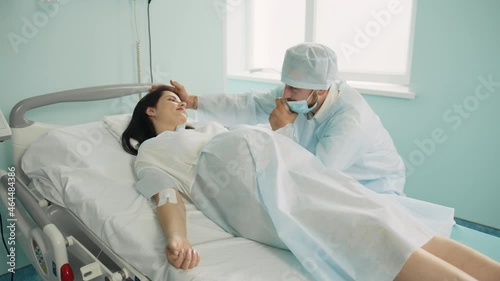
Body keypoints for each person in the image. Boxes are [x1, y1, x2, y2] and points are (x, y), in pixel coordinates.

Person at [121, 89, 500, 281]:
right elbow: (165, 193)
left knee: (383, 211)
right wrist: (177, 237)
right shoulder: (154, 150)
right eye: (172, 100)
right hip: (251, 190)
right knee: (362, 229)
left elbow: (254, 125)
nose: (182, 104)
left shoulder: (207, 128)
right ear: (150, 110)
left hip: (291, 168)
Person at [150, 43, 406, 196]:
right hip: (321, 180)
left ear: (321, 89)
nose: (285, 94)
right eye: (285, 84)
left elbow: (317, 176)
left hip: (371, 189)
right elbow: (248, 103)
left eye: (294, 88)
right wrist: (193, 101)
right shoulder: (299, 93)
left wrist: (283, 130)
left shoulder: (350, 121)